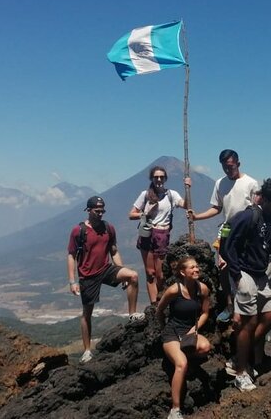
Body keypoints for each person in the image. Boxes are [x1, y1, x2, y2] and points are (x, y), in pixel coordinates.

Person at [220, 179, 271, 392]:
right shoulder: (247, 216)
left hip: (260, 274)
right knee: (248, 322)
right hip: (244, 274)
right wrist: (236, 275)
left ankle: (238, 357)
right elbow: (228, 247)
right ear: (266, 199)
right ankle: (242, 372)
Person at [67, 196, 143, 363]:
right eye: (97, 211)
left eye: (102, 211)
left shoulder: (108, 228)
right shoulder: (78, 231)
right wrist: (72, 281)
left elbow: (114, 251)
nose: (100, 213)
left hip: (106, 269)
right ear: (88, 210)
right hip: (87, 275)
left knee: (133, 276)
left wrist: (121, 270)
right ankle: (87, 351)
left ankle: (132, 314)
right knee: (87, 313)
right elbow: (72, 255)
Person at [188, 149, 259, 323]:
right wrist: (197, 217)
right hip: (227, 231)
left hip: (247, 234)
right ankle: (229, 306)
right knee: (223, 268)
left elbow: (257, 211)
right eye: (224, 167)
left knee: (244, 270)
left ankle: (247, 308)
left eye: (231, 166)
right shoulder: (220, 183)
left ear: (238, 164)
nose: (228, 170)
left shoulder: (251, 183)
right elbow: (217, 208)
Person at [156, 256, 211, 419]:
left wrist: (194, 330)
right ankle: (175, 410)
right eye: (192, 267)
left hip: (189, 331)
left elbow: (205, 312)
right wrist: (163, 329)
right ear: (182, 271)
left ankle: (181, 354)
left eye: (197, 266)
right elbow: (159, 310)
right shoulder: (174, 290)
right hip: (172, 332)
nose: (196, 269)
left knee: (205, 347)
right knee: (182, 364)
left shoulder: (203, 289)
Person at [129, 166, 190, 305]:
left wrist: (187, 188)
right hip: (147, 234)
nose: (159, 179)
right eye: (156, 177)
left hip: (162, 235)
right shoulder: (145, 195)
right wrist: (145, 213)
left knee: (160, 274)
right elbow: (131, 214)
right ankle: (154, 304)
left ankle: (161, 299)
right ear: (152, 178)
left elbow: (186, 205)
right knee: (150, 273)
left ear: (165, 178)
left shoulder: (171, 195)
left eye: (161, 177)